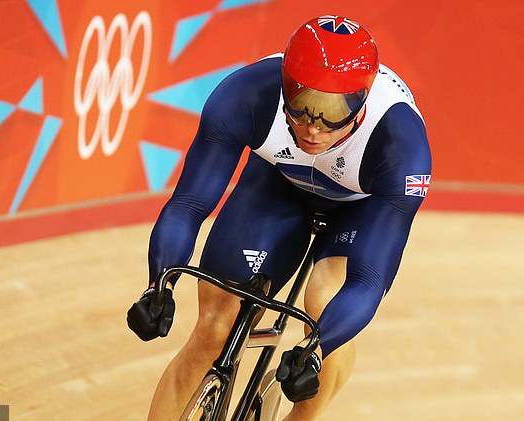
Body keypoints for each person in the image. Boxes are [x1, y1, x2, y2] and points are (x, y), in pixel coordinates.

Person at [127, 14, 431, 420]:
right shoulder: (245, 95)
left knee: (324, 308)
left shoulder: (402, 147)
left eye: (331, 111)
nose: (312, 126)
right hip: (278, 183)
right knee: (214, 327)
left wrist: (316, 350)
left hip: (359, 207)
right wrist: (157, 285)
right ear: (284, 85)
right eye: (302, 104)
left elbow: (368, 280)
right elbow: (188, 205)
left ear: (360, 105)